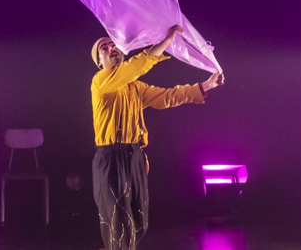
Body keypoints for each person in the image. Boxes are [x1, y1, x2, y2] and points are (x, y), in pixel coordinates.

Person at [90, 25, 224, 250]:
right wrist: (166, 40)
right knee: (119, 226)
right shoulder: (101, 81)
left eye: (113, 44)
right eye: (104, 48)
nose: (111, 48)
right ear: (100, 62)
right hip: (111, 159)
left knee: (139, 223)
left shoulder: (135, 87)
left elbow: (168, 96)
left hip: (135, 157)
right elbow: (136, 66)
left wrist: (205, 85)